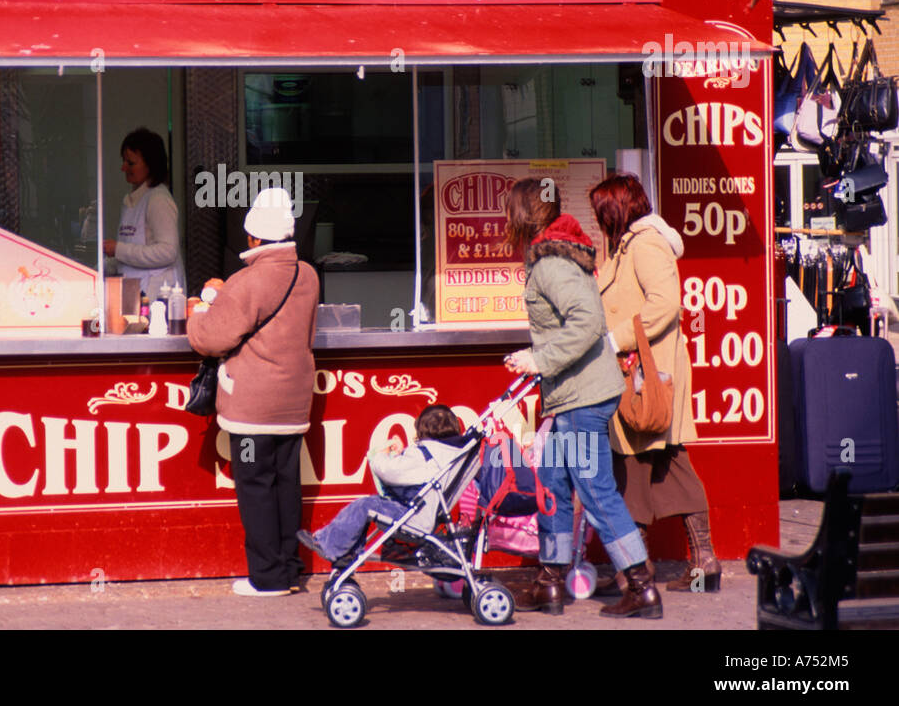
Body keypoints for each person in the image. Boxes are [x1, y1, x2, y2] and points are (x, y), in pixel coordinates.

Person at [502, 177, 661, 618]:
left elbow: (587, 323)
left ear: (524, 214)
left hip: (581, 399)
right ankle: (550, 581)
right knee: (551, 485)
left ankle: (642, 587)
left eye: (510, 210)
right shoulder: (557, 255)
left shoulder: (552, 265)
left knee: (595, 492)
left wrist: (539, 360)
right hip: (572, 395)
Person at [590, 173, 720, 593]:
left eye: (601, 211)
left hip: (648, 374)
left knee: (633, 463)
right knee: (655, 462)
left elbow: (664, 304)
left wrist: (616, 338)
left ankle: (637, 572)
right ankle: (692, 564)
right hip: (640, 372)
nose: (597, 220)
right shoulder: (624, 245)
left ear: (615, 209)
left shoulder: (644, 243)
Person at [187, 187, 320, 597]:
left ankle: (266, 578)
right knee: (285, 483)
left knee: (255, 484)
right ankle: (290, 567)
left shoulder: (246, 281)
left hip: (251, 411)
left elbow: (209, 339)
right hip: (294, 405)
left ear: (254, 239)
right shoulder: (308, 274)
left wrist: (201, 305)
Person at [296, 405, 463, 565]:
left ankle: (331, 546)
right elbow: (412, 472)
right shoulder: (449, 455)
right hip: (424, 513)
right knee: (368, 506)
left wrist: (382, 455)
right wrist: (402, 454)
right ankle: (344, 551)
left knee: (363, 506)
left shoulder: (425, 453)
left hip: (412, 516)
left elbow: (387, 471)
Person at [103, 127, 184, 302]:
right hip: (136, 292)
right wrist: (103, 265)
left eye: (131, 163)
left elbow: (168, 252)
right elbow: (130, 252)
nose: (123, 168)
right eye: (124, 161)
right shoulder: (132, 200)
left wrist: (118, 249)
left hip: (156, 296)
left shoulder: (158, 199)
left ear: (151, 164)